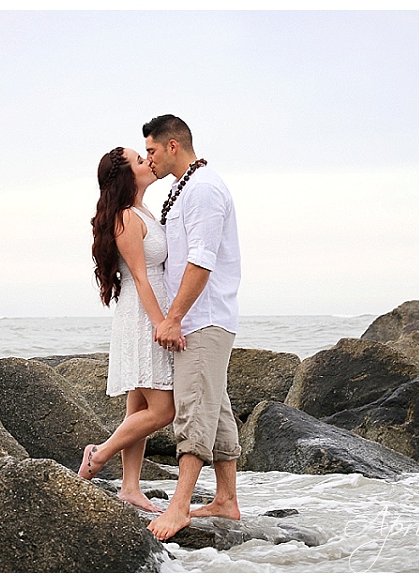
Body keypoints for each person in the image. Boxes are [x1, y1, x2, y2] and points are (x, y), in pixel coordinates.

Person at [142, 115, 242, 540]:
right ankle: (226, 500)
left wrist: (174, 317)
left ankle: (178, 506)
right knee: (215, 406)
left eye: (151, 151)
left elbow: (202, 260)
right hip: (201, 318)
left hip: (203, 319)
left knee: (194, 408)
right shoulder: (186, 189)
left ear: (172, 146)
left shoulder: (202, 190)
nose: (148, 160)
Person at [82, 146, 182, 513]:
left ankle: (129, 488)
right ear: (126, 175)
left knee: (137, 407)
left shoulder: (142, 212)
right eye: (140, 161)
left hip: (149, 309)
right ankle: (99, 454)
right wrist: (161, 325)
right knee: (163, 410)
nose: (148, 162)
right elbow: (140, 278)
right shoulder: (125, 217)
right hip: (143, 316)